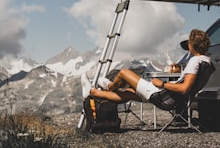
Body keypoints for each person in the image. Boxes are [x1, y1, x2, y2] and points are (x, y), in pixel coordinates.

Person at [81, 29, 211, 104]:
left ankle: (108, 86)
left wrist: (162, 84)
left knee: (124, 73)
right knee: (127, 94)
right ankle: (92, 92)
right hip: (167, 97)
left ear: (192, 45)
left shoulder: (195, 61)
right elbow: (187, 84)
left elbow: (184, 88)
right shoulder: (206, 61)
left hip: (159, 95)